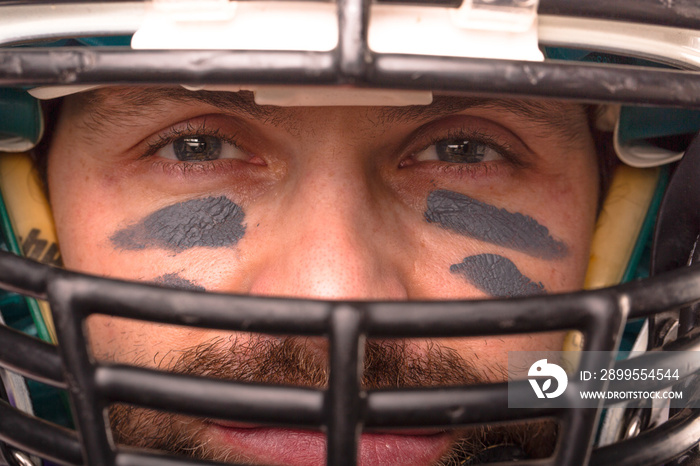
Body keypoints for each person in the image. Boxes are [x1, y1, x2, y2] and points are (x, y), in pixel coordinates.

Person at [0, 2, 699, 466]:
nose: (334, 297)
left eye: (464, 150)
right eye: (196, 149)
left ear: (630, 223)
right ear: (28, 206)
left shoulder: (571, 381)